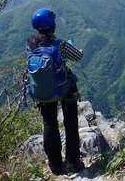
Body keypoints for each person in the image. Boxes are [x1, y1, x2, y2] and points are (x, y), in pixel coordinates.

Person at [27, 9, 84, 175]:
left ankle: (55, 165)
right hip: (64, 89)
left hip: (42, 91)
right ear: (52, 26)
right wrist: (72, 47)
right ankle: (73, 162)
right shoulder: (60, 45)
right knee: (71, 123)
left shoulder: (30, 45)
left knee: (49, 124)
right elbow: (78, 57)